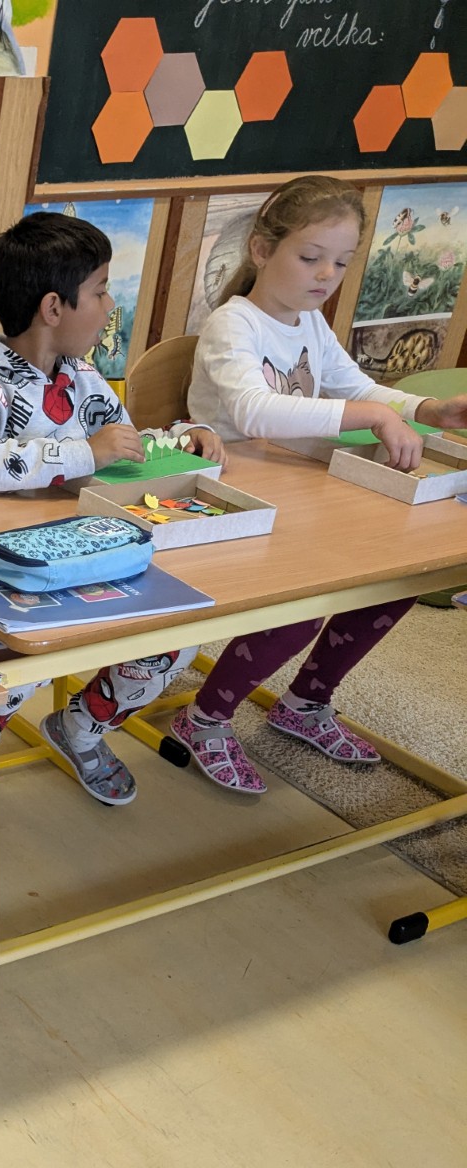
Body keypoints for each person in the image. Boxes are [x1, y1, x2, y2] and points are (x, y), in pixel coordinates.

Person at [0, 212, 227, 837]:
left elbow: (122, 443)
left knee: (180, 637)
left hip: (81, 552)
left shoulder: (81, 375)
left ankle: (82, 726)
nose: (110, 304)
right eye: (100, 291)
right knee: (23, 661)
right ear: (53, 308)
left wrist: (182, 435)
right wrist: (81, 453)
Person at [173, 175, 467, 792]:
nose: (327, 275)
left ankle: (305, 701)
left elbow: (354, 386)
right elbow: (255, 412)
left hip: (302, 489)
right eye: (310, 257)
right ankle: (204, 719)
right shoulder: (234, 323)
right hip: (238, 498)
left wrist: (425, 409)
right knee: (302, 607)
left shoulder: (308, 320)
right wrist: (373, 416)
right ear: (262, 250)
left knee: (396, 581)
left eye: (341, 261)